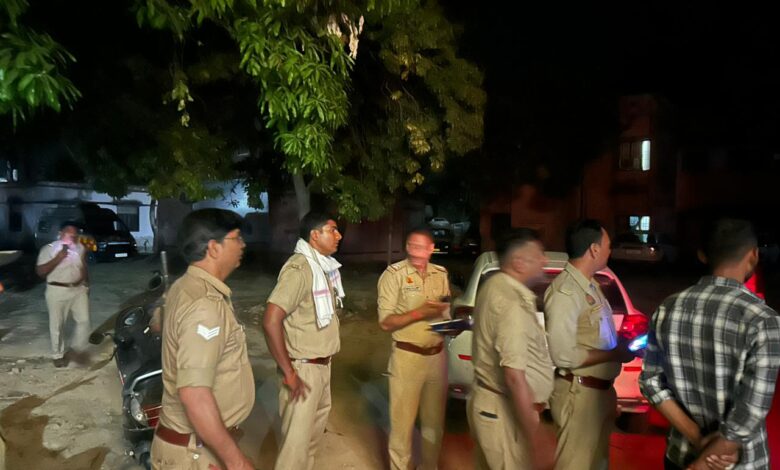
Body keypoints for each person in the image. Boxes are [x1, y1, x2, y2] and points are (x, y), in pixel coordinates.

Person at [640, 218, 780, 470]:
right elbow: (752, 408)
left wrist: (697, 439)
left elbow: (650, 382)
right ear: (754, 255)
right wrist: (706, 461)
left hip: (681, 454)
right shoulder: (763, 319)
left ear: (702, 255)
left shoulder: (667, 308)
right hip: (739, 462)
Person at [150, 209, 255, 470]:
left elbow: (158, 326)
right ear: (214, 248)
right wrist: (237, 463)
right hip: (194, 453)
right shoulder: (204, 305)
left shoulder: (184, 287)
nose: (243, 245)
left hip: (193, 445)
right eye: (236, 238)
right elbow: (195, 395)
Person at [544, 219, 636, 470]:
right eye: (608, 245)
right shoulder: (566, 292)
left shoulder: (591, 285)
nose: (610, 251)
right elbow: (563, 355)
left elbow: (596, 336)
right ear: (594, 249)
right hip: (580, 394)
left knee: (597, 464)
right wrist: (614, 354)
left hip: (598, 394)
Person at [262, 212, 344, 470]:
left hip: (320, 367)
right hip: (303, 370)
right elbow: (271, 320)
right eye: (332, 230)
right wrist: (289, 373)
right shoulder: (300, 269)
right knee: (294, 452)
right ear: (314, 235)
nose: (339, 235)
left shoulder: (322, 267)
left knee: (310, 445)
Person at [468, 229, 554, 470]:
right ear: (518, 263)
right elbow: (514, 376)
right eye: (539, 255)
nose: (545, 260)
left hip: (493, 406)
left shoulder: (494, 286)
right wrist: (536, 437)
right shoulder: (510, 303)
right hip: (505, 413)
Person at [377, 228, 450, 470]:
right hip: (407, 357)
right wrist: (420, 313)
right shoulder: (394, 275)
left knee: (434, 425)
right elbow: (385, 322)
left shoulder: (440, 274)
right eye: (411, 246)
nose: (415, 252)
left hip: (437, 357)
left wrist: (453, 326)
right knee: (402, 425)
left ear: (431, 249)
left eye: (421, 247)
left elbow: (444, 312)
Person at [36, 221, 91, 368]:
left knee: (84, 321)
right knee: (57, 325)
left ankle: (76, 349)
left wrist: (86, 284)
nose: (72, 237)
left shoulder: (80, 248)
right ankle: (57, 355)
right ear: (60, 234)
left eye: (75, 235)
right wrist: (58, 258)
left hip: (78, 290)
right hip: (57, 290)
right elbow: (40, 272)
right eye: (69, 234)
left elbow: (83, 266)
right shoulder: (48, 249)